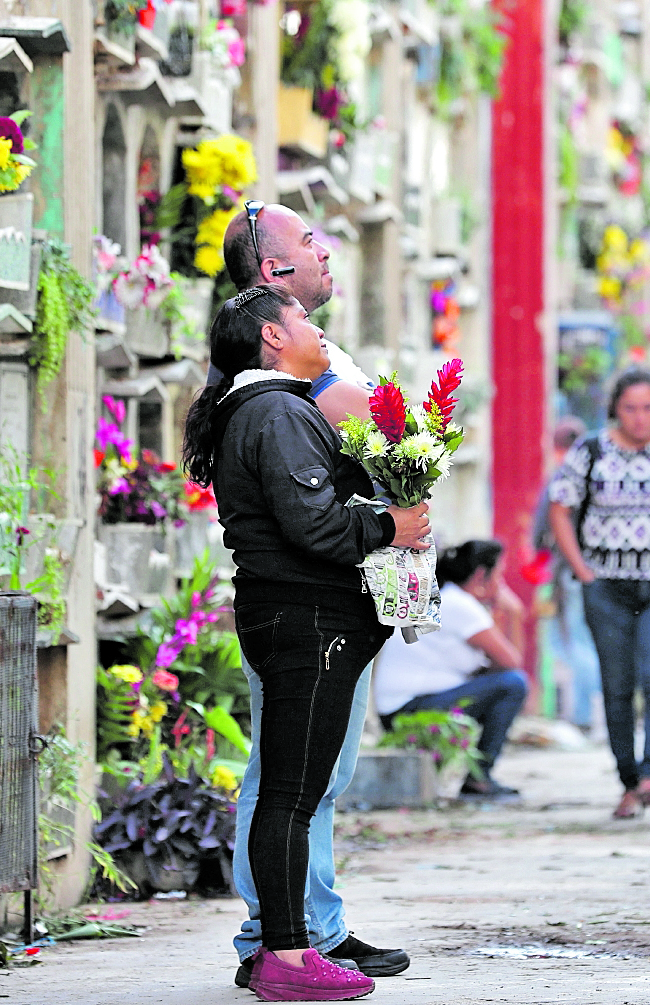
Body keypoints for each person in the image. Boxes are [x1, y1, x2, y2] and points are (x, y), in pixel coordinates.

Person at [182, 285, 430, 1000]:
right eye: (302, 319)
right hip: (304, 619)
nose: (315, 327)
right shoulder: (276, 411)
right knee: (291, 794)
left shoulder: (273, 409)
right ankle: (286, 955)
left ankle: (284, 947)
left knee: (296, 789)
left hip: (298, 618)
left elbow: (315, 496)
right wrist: (391, 529)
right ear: (269, 337)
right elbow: (312, 524)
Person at [219, 204, 411, 984]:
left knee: (312, 775)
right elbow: (318, 509)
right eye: (307, 243)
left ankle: (311, 925)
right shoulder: (277, 395)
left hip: (326, 600)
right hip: (305, 603)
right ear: (272, 281)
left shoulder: (279, 382)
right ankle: (280, 938)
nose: (324, 249)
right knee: (289, 778)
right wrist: (390, 521)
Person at [548, 368, 650, 820]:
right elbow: (560, 508)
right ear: (617, 409)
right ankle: (628, 779)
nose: (640, 417)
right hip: (607, 586)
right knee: (617, 684)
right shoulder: (591, 450)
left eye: (649, 407)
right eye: (630, 408)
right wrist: (582, 572)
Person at [373, 540, 530, 797]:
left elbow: (492, 666)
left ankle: (477, 776)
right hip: (409, 711)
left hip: (400, 710)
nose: (501, 585)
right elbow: (511, 662)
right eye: (500, 575)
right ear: (481, 575)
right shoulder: (459, 603)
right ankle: (480, 776)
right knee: (514, 683)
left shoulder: (446, 597)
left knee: (506, 682)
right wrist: (514, 612)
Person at [533, 416, 602, 734]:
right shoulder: (601, 472)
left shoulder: (560, 477)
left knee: (577, 641)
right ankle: (597, 713)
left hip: (571, 572)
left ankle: (584, 715)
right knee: (594, 641)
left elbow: (540, 529)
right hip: (604, 570)